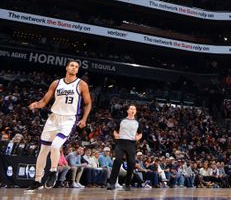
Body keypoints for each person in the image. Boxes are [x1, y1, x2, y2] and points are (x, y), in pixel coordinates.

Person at [26, 60, 92, 191]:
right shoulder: (56, 83)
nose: (74, 68)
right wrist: (36, 104)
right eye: (72, 65)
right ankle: (37, 180)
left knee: (56, 145)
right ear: (67, 67)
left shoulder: (81, 84)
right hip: (53, 118)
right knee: (43, 151)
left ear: (77, 70)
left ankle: (53, 171)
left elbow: (88, 103)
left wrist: (84, 119)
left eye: (76, 67)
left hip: (69, 119)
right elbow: (45, 101)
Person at [107, 105, 143, 190]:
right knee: (117, 161)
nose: (132, 110)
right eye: (131, 109)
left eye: (134, 109)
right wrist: (116, 135)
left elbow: (140, 133)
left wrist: (138, 137)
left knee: (131, 163)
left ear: (136, 111)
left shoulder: (137, 122)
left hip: (131, 144)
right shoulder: (122, 121)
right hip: (121, 143)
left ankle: (127, 184)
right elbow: (115, 131)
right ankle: (112, 183)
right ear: (127, 111)